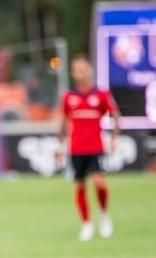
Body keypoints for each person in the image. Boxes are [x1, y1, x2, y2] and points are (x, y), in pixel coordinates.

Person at [56, 54, 121, 241]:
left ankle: (103, 214)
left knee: (99, 182)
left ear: (89, 71)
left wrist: (114, 138)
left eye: (83, 69)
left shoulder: (100, 95)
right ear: (73, 73)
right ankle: (86, 224)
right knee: (80, 185)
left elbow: (116, 117)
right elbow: (62, 123)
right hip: (76, 148)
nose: (81, 73)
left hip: (95, 146)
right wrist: (58, 145)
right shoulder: (68, 97)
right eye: (77, 70)